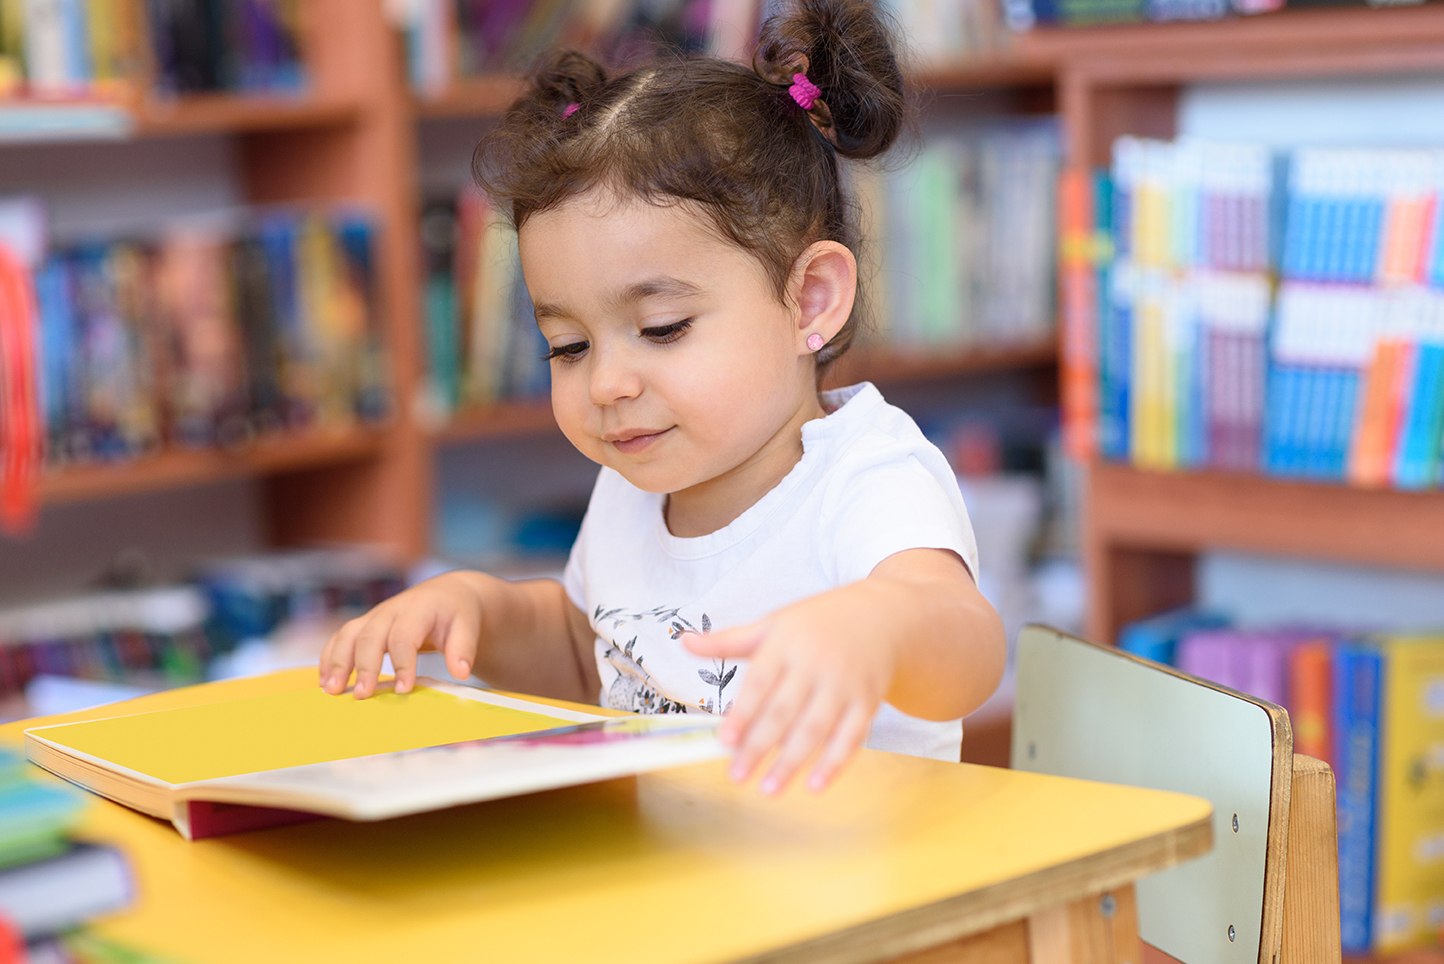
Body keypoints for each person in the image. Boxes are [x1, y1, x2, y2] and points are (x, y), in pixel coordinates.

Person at [319, 0, 1006, 795]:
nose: (608, 383)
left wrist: (876, 628)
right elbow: (589, 656)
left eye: (663, 327)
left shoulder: (866, 477)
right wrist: (480, 609)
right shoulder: (636, 484)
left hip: (864, 888)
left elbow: (967, 644)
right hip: (680, 886)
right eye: (569, 346)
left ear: (811, 299)